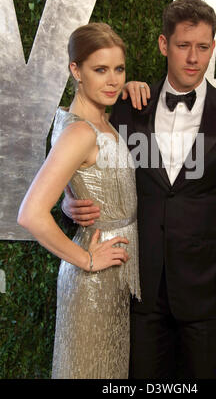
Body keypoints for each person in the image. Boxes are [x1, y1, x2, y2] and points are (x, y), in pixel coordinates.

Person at [63, 0, 216, 379]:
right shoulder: (126, 106)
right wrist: (67, 201)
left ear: (213, 47)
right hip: (140, 291)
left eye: (202, 47)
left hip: (208, 294)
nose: (193, 58)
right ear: (163, 45)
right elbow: (75, 155)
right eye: (183, 46)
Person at [17, 22, 140, 379]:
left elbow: (93, 179)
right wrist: (86, 260)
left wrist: (74, 198)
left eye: (119, 69)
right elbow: (31, 214)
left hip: (112, 280)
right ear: (76, 71)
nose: (113, 80)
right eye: (100, 70)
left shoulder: (96, 119)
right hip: (92, 287)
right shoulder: (80, 131)